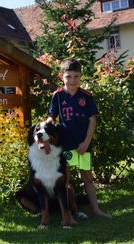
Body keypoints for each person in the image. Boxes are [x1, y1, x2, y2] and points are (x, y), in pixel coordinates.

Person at [47, 58, 111, 219]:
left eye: (76, 76)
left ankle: (96, 210)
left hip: (83, 145)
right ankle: (69, 212)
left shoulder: (86, 96)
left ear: (80, 76)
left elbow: (92, 120)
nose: (72, 80)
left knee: (88, 178)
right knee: (67, 180)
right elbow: (52, 117)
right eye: (69, 76)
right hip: (66, 145)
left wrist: (86, 143)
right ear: (62, 76)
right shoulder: (57, 96)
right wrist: (47, 126)